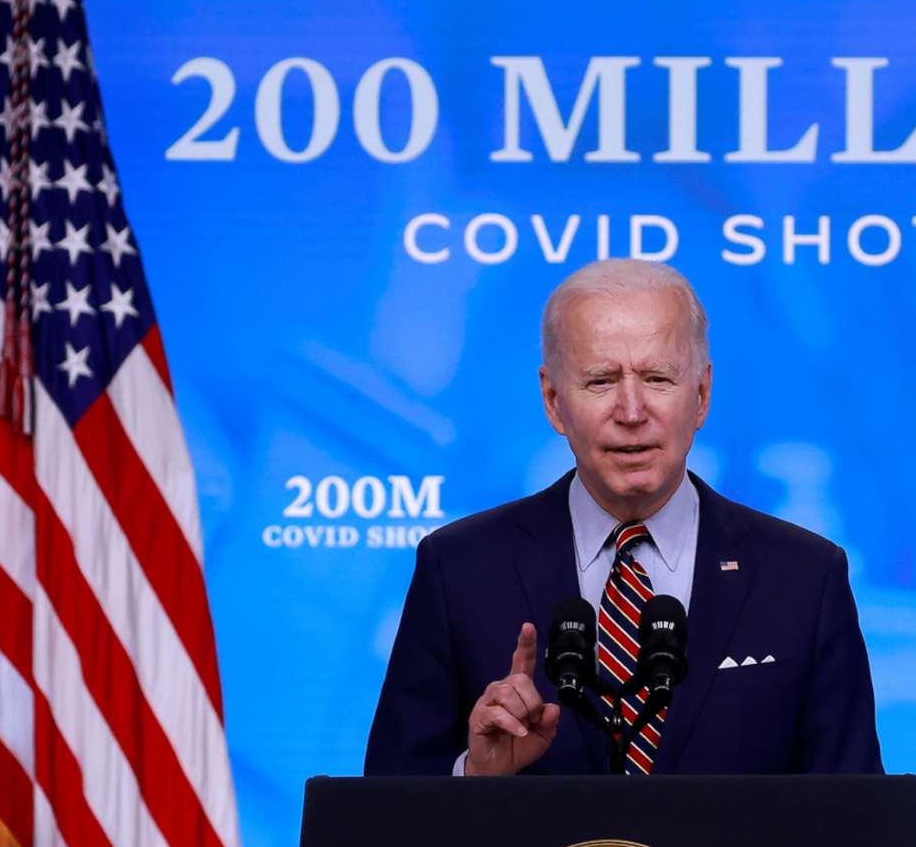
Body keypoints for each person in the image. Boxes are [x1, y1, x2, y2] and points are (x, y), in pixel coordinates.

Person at [364, 258, 882, 776]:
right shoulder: (459, 568)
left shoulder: (803, 576)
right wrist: (474, 776)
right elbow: (380, 822)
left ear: (701, 395)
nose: (632, 411)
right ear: (553, 400)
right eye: (600, 381)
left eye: (657, 378)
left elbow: (858, 827)